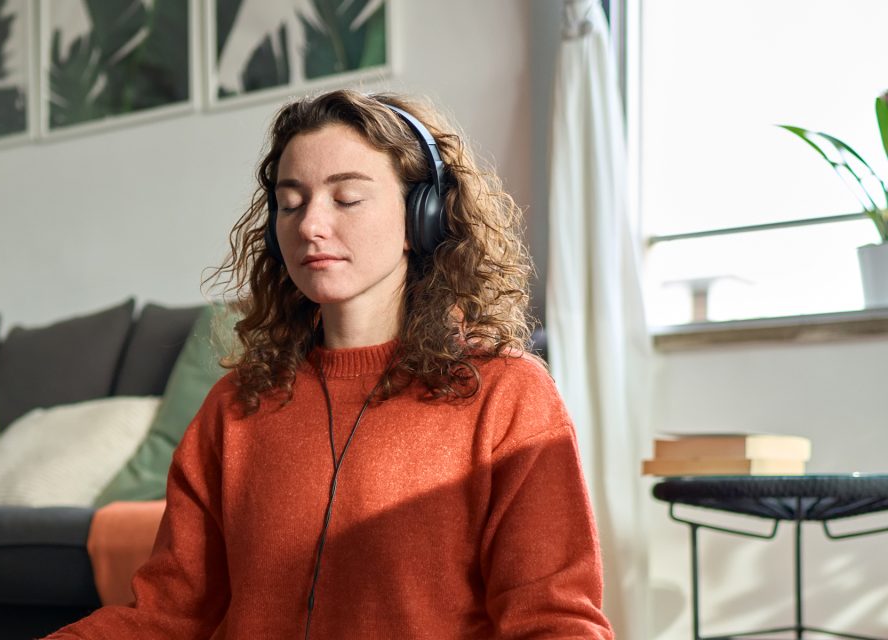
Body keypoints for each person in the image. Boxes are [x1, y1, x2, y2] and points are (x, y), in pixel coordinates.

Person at [45, 89, 613, 639]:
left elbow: (553, 622)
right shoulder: (235, 407)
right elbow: (166, 615)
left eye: (346, 199)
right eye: (290, 203)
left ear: (424, 216)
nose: (310, 225)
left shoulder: (508, 395)